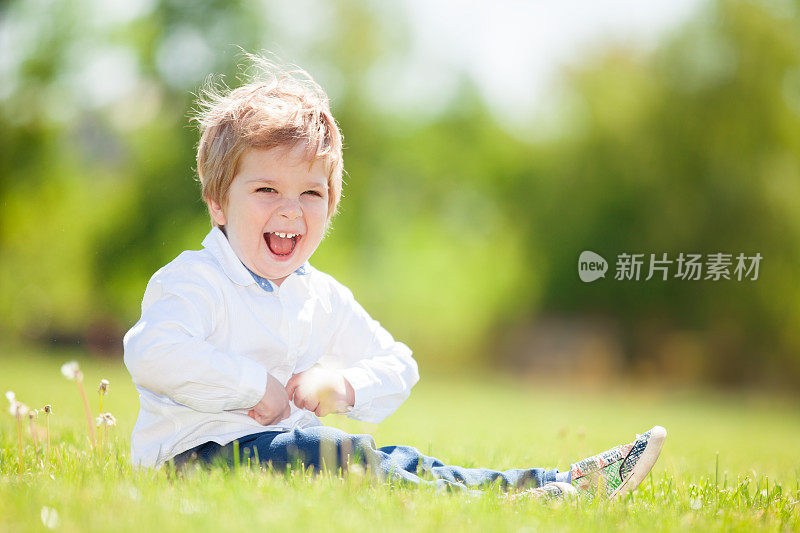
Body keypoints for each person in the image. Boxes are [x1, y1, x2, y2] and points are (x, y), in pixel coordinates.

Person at [123, 54, 666, 498]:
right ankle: (525, 501)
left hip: (298, 453)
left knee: (392, 460)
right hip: (194, 458)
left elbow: (399, 363)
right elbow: (152, 352)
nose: (291, 211)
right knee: (337, 456)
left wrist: (344, 385)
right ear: (218, 203)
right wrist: (251, 385)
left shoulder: (321, 297)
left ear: (331, 206)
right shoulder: (196, 280)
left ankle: (559, 484)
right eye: (266, 190)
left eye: (310, 193)